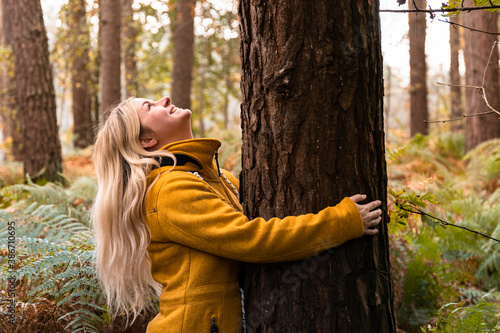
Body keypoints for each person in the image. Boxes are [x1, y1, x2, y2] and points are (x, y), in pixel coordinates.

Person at [91, 96, 382, 333]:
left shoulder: (214, 177)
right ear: (147, 141)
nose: (164, 99)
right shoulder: (170, 189)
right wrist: (341, 221)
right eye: (150, 107)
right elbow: (253, 239)